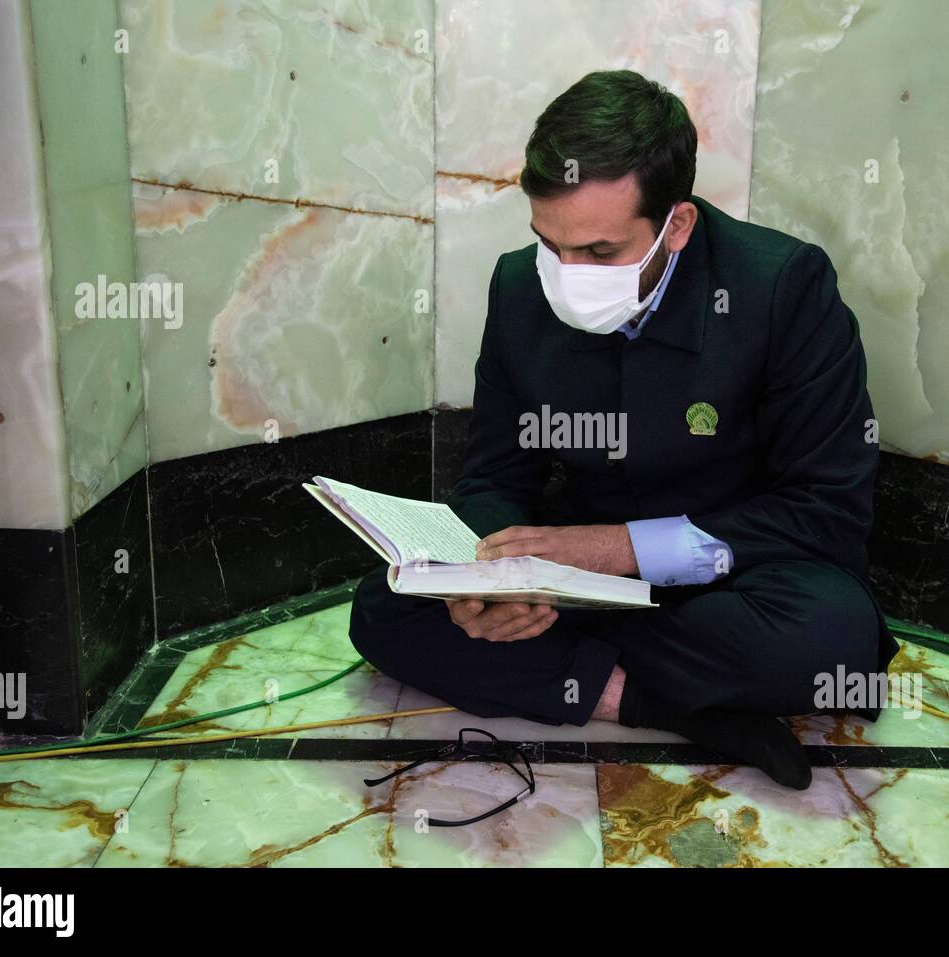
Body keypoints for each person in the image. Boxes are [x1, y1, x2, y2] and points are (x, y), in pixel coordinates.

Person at [350, 70, 899, 790]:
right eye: (550, 243)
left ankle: (578, 671)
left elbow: (824, 514)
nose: (566, 275)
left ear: (676, 224)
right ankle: (655, 702)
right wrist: (486, 581)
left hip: (733, 574)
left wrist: (617, 549)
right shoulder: (520, 286)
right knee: (383, 607)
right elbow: (494, 477)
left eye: (600, 253)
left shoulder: (782, 289)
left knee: (833, 644)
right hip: (572, 580)